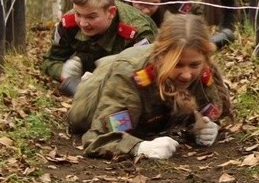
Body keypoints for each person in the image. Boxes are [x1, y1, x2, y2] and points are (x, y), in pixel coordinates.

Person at [68, 14, 232, 160]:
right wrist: (139, 147)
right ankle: (89, 79)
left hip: (152, 115)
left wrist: (204, 127)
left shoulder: (202, 68)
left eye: (194, 65)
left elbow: (209, 109)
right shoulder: (131, 74)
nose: (187, 74)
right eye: (177, 65)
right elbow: (94, 140)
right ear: (160, 57)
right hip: (91, 102)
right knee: (89, 103)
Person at [41, 0, 158, 96]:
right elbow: (50, 61)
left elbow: (149, 74)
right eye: (78, 14)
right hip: (86, 68)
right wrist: (64, 72)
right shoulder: (69, 24)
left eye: (91, 17)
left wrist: (104, 81)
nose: (82, 23)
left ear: (110, 13)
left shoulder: (136, 32)